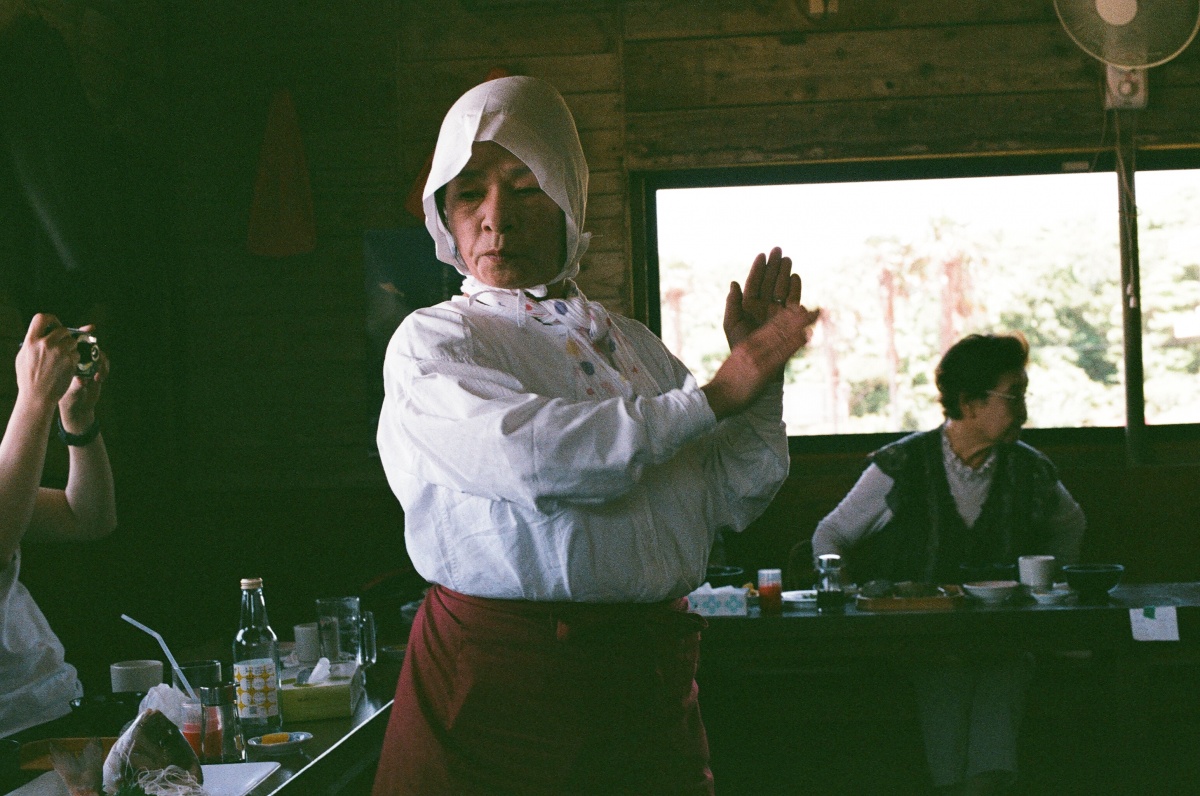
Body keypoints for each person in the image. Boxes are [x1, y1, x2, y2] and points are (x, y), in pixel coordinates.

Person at [372, 76, 819, 795]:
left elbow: (734, 494)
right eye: (469, 193)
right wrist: (713, 396)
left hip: (648, 682)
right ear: (443, 215)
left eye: (524, 187)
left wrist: (758, 391)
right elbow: (531, 456)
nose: (495, 218)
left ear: (570, 199)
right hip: (500, 686)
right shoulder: (436, 342)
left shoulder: (633, 348)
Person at [812, 332, 1086, 796]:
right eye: (1014, 395)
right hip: (922, 640)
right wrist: (853, 597)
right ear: (970, 402)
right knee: (944, 682)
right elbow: (830, 535)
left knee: (1003, 681)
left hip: (1005, 638)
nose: (1023, 409)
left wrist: (1051, 588)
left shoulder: (1029, 469)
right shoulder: (902, 464)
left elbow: (1071, 525)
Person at [0, 313, 116, 740]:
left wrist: (77, 418)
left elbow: (86, 517)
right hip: (11, 737)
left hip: (55, 709)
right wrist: (34, 398)